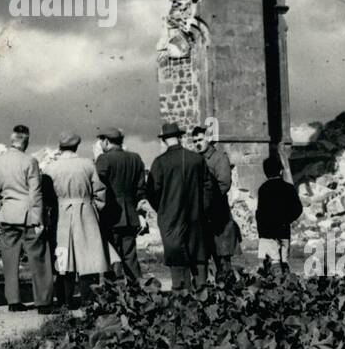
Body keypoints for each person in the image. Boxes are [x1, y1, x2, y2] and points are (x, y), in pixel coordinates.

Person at [0, 124, 50, 313]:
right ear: (26, 141)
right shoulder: (30, 161)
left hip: (7, 214)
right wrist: (38, 219)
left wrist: (4, 206)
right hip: (28, 215)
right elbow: (35, 193)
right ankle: (43, 302)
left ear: (11, 140)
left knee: (9, 258)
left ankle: (13, 300)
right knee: (38, 257)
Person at [146, 122, 210, 291]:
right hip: (196, 218)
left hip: (171, 220)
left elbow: (151, 192)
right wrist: (202, 208)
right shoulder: (197, 159)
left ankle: (182, 301)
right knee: (199, 260)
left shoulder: (160, 162)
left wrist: (163, 209)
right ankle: (204, 301)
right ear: (180, 137)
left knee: (177, 264)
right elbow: (209, 188)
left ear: (165, 141)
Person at [50, 132, 109, 306]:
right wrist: (94, 209)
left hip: (61, 211)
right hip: (86, 211)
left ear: (60, 147)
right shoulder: (88, 164)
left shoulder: (51, 167)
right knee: (88, 256)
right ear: (76, 146)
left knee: (63, 256)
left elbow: (46, 194)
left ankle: (64, 300)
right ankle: (88, 300)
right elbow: (99, 191)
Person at [94, 126, 146, 284]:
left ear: (107, 141)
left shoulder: (104, 159)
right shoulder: (135, 158)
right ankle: (137, 290)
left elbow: (97, 185)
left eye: (101, 140)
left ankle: (115, 293)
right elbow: (140, 188)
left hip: (110, 214)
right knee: (130, 255)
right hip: (130, 214)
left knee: (112, 256)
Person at [193, 125, 241, 282]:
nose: (198, 143)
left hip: (218, 216)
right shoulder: (195, 160)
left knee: (222, 260)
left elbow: (224, 185)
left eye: (200, 139)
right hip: (201, 218)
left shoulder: (219, 158)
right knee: (202, 261)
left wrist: (206, 203)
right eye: (194, 141)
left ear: (207, 139)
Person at [256, 154, 304, 274]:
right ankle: (288, 285)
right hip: (284, 230)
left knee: (274, 261)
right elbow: (298, 209)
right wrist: (287, 219)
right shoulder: (289, 188)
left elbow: (260, 212)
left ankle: (276, 288)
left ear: (265, 173)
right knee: (284, 261)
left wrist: (261, 230)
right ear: (281, 171)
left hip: (268, 232)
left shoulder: (263, 189)